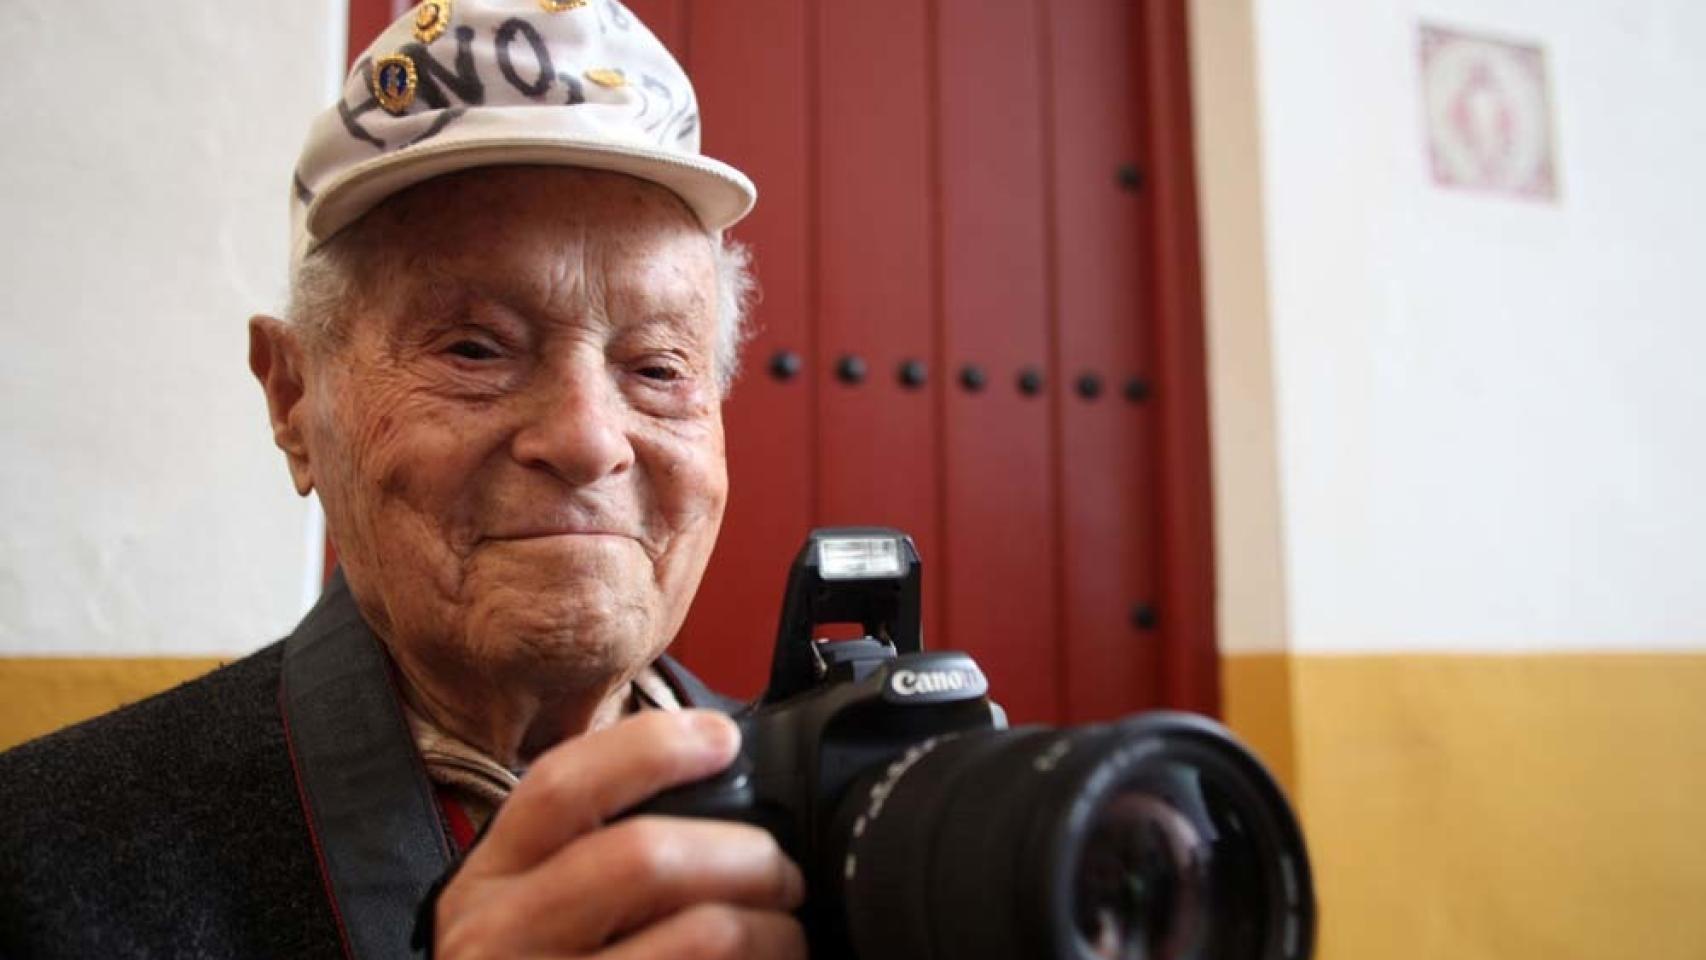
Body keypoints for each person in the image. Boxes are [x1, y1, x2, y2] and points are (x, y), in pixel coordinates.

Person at [0, 2, 806, 957]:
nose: (590, 440)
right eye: (476, 348)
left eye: (658, 367)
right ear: (295, 398)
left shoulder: (838, 818)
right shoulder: (42, 866)